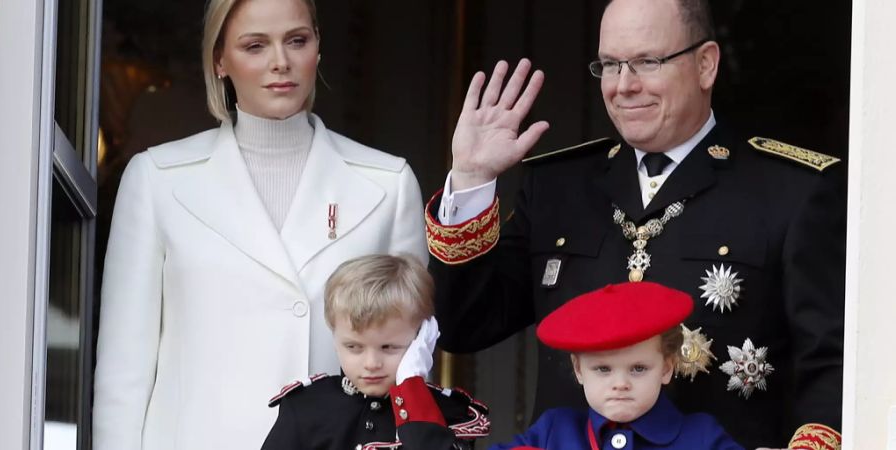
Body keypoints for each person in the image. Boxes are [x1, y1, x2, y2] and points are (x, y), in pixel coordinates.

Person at [424, 0, 845, 448]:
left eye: (647, 61)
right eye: (610, 65)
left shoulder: (789, 191)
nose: (624, 86)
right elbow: (464, 325)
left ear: (705, 65)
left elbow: (833, 363)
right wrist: (471, 179)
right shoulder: (557, 186)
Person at [93, 0, 427, 448]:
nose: (280, 62)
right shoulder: (157, 179)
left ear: (317, 48)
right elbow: (124, 371)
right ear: (219, 60)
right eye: (255, 45)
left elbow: (410, 361)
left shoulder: (389, 185)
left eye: (297, 40)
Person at [261, 254, 489, 449]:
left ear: (422, 338)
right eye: (354, 347)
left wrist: (411, 387)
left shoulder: (448, 412)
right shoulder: (306, 406)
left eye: (389, 347)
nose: (371, 363)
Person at [492, 282, 743, 450]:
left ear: (667, 367)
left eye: (638, 368)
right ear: (578, 369)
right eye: (603, 369)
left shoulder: (701, 436)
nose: (621, 384)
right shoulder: (554, 430)